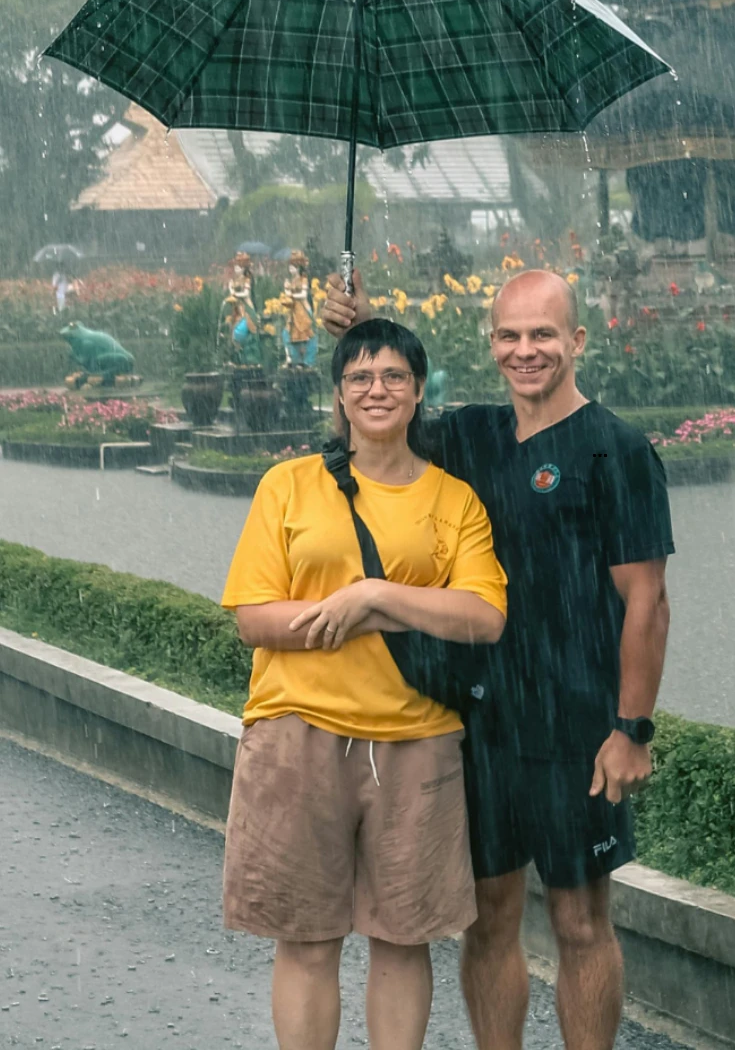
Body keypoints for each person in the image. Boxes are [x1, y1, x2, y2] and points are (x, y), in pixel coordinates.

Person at [323, 268, 673, 1050]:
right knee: (488, 917)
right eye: (510, 336)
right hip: (480, 717)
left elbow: (647, 603)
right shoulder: (472, 437)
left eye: (543, 334)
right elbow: (382, 408)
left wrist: (632, 728)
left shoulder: (616, 451)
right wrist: (360, 327)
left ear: (577, 341)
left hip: (578, 724)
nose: (527, 351)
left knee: (581, 921)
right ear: (491, 345)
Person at [220, 317, 509, 1050]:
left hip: (417, 743)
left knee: (402, 939)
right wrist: (362, 613)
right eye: (359, 377)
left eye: (393, 377)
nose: (377, 390)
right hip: (298, 734)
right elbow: (255, 616)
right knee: (308, 939)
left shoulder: (454, 500)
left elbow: (483, 615)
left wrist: (375, 599)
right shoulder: (288, 485)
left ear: (418, 393)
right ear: (340, 396)